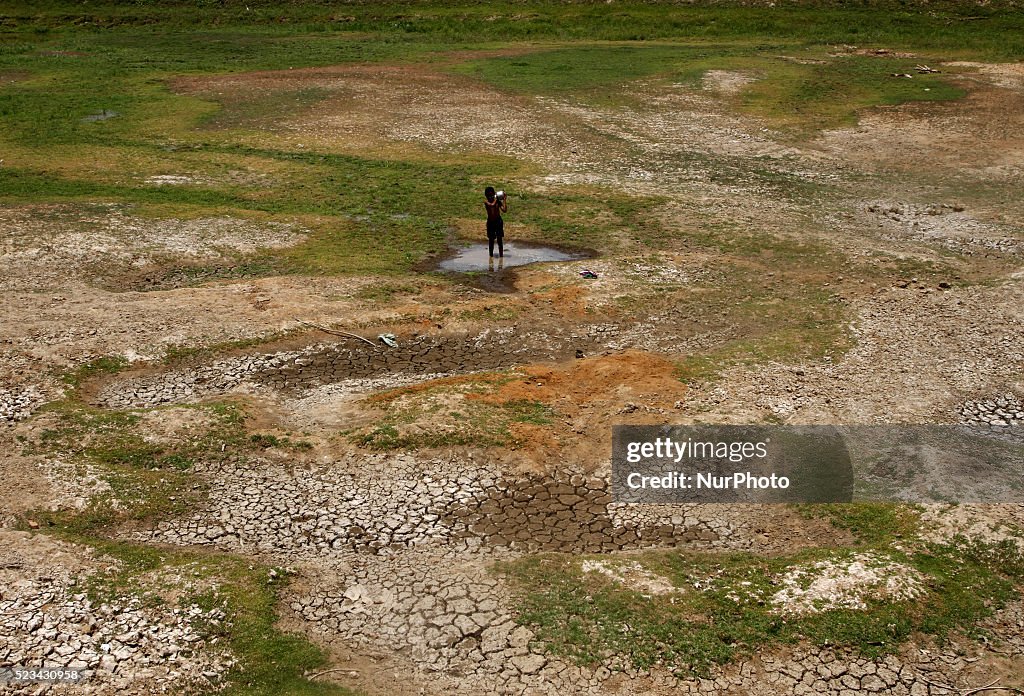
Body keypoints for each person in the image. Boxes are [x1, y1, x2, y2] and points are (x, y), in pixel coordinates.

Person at [484, 186, 507, 258]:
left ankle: (501, 256)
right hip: (490, 223)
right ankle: (490, 256)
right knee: (491, 240)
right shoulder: (486, 202)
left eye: (491, 195)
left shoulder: (497, 202)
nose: (490, 197)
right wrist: (496, 198)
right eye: (488, 196)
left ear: (493, 194)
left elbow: (504, 210)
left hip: (498, 222)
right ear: (486, 196)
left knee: (499, 240)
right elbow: (491, 205)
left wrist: (504, 200)